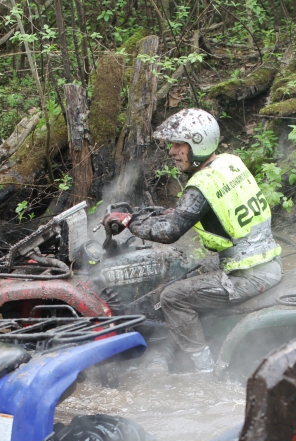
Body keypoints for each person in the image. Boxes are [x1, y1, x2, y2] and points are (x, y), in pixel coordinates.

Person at [102, 109, 282, 372]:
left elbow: (170, 232)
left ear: (198, 144)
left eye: (179, 145)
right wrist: (141, 215)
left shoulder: (202, 184)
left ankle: (204, 369)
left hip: (249, 274)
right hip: (260, 259)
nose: (172, 151)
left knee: (172, 296)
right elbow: (187, 213)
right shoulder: (228, 163)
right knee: (186, 271)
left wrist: (129, 221)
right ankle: (188, 338)